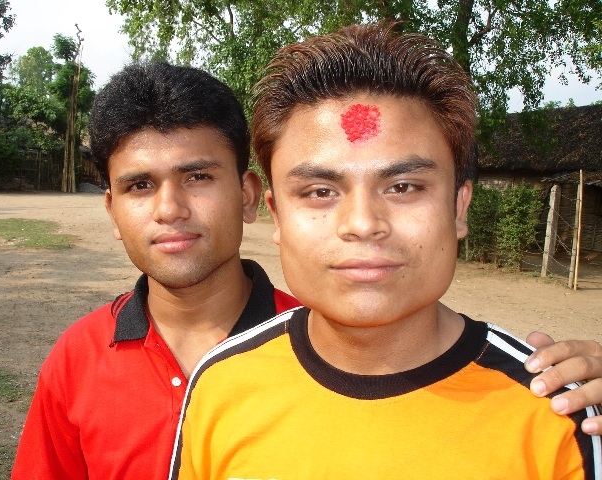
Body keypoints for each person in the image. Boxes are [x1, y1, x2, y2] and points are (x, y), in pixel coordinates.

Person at [170, 23, 601, 479]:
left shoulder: (558, 413)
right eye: (319, 191)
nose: (362, 224)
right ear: (276, 215)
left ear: (458, 206)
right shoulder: (221, 385)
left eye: (403, 186)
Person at [10, 62, 300, 479]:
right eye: (140, 186)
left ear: (247, 195)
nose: (169, 210)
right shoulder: (76, 360)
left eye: (197, 176)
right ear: (112, 210)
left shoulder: (322, 350)